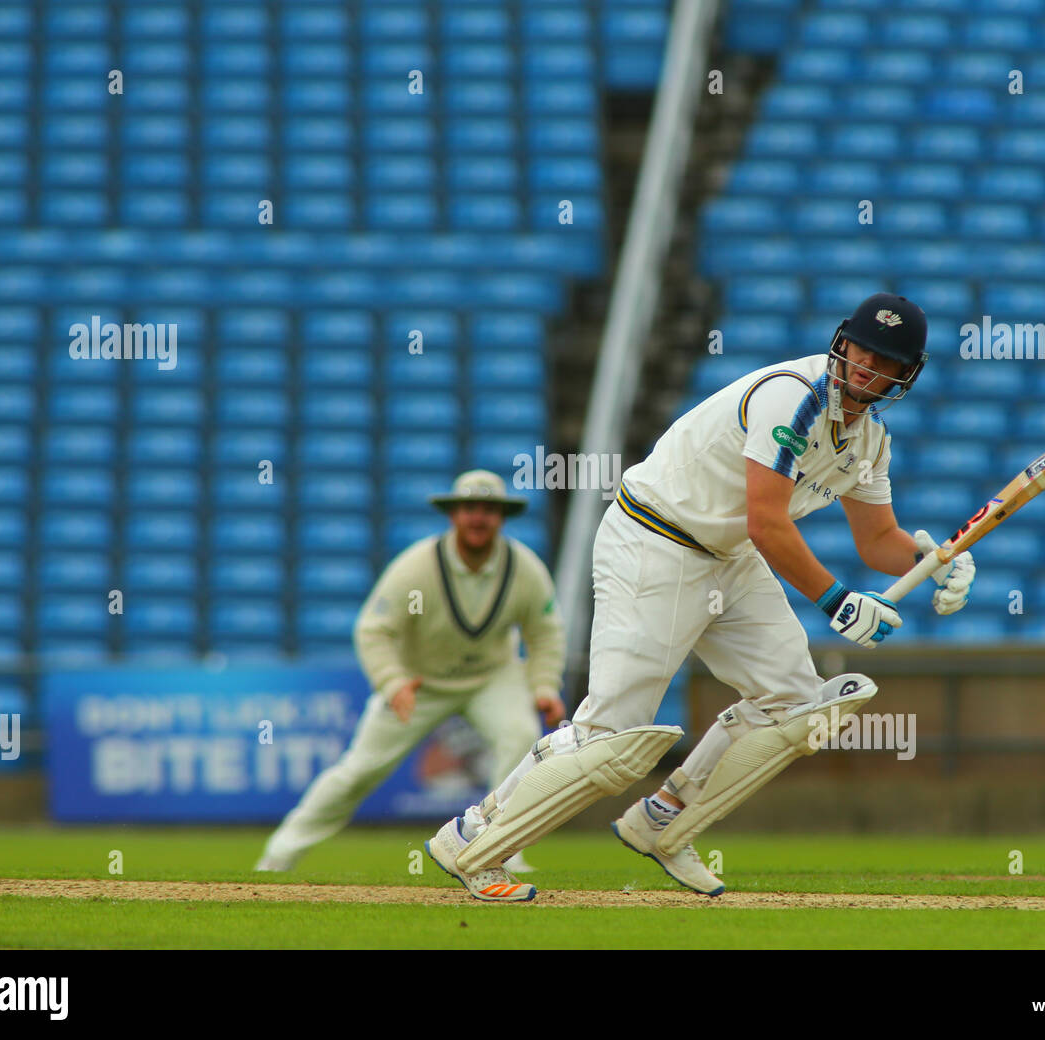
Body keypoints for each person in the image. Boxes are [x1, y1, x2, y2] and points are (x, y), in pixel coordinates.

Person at [426, 293, 975, 901]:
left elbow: (878, 540)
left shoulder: (870, 441)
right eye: (862, 351)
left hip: (729, 557)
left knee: (796, 706)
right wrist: (838, 602)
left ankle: (663, 819)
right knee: (611, 737)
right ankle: (472, 838)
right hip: (655, 539)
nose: (867, 367)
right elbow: (769, 523)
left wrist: (932, 561)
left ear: (906, 374)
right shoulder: (791, 397)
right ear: (842, 343)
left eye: (886, 361)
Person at [256, 470, 566, 875]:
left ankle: (505, 852)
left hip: (492, 676)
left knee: (519, 737)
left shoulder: (525, 569)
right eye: (470, 508)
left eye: (489, 510)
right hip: (419, 683)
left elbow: (545, 632)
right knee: (359, 771)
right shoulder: (417, 567)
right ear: (454, 514)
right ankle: (277, 857)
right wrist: (393, 681)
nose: (479, 518)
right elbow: (374, 629)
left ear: (502, 517)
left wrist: (544, 686)